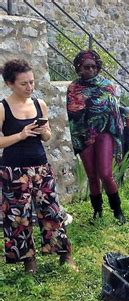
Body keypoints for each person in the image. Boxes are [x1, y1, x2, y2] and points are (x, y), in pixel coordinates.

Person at [0, 59, 77, 273]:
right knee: (19, 218)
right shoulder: (3, 108)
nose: (30, 87)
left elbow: (48, 136)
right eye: (24, 83)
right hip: (13, 171)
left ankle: (64, 254)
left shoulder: (38, 104)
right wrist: (20, 135)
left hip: (40, 168)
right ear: (10, 84)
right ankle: (28, 262)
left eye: (32, 82)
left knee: (52, 211)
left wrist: (44, 132)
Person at [66, 50, 125, 224]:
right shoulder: (73, 88)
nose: (91, 70)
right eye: (86, 67)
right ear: (79, 68)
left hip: (103, 132)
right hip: (83, 134)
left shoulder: (106, 86)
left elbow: (114, 112)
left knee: (106, 174)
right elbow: (72, 113)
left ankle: (117, 211)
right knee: (92, 175)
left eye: (94, 66)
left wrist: (116, 137)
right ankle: (97, 211)